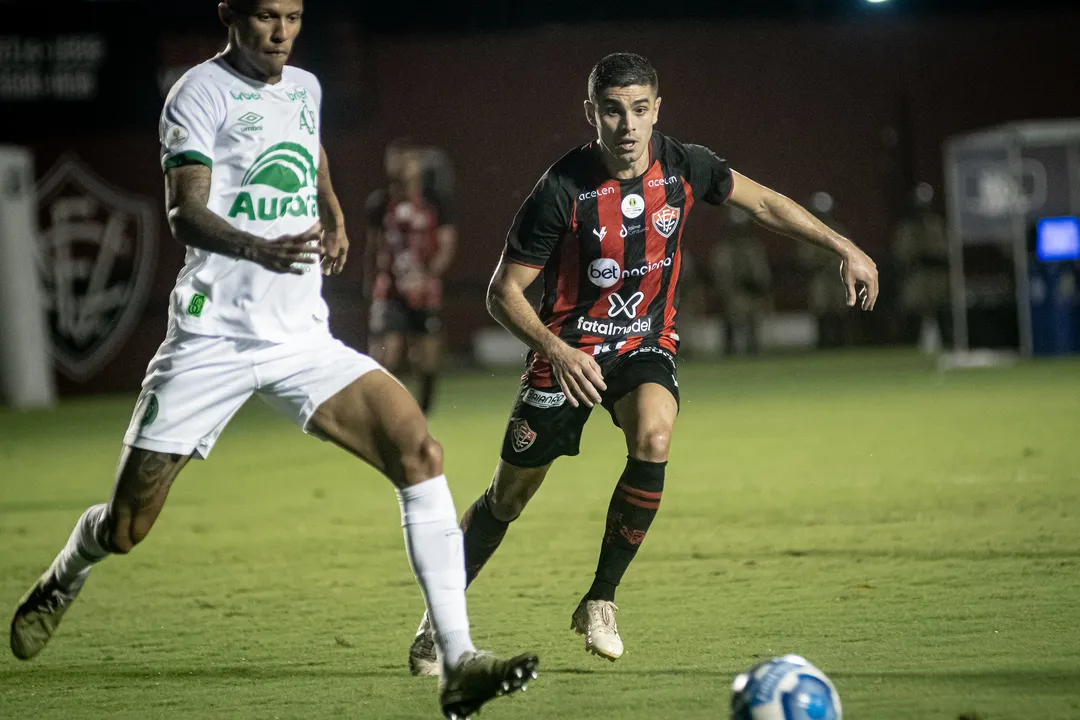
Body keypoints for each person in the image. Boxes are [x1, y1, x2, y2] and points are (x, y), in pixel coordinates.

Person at [9, 2, 535, 717]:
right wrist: (260, 247)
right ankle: (72, 564)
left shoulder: (306, 87)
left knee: (420, 451)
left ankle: (458, 662)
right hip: (211, 338)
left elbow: (309, 145)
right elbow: (182, 211)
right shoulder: (196, 94)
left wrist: (337, 214)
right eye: (265, 16)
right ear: (230, 15)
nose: (282, 31)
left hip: (300, 339)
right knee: (128, 527)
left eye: (292, 15)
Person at [406, 52, 879, 675]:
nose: (626, 125)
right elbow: (503, 291)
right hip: (568, 353)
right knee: (508, 498)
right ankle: (437, 622)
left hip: (644, 344)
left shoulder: (685, 166)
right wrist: (555, 349)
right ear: (591, 113)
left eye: (638, 109)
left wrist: (843, 246)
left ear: (657, 109)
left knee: (654, 436)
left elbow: (764, 204)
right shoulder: (560, 190)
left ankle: (600, 599)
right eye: (611, 110)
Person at [365, 139, 457, 414]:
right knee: (386, 355)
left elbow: (446, 245)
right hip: (389, 290)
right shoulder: (380, 203)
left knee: (427, 362)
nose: (401, 167)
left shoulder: (434, 203)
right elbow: (373, 247)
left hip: (424, 292)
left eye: (407, 160)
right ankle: (384, 413)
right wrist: (370, 286)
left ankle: (423, 413)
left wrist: (427, 275)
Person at [893, 182, 950, 353]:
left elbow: (946, 249)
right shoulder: (907, 228)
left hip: (935, 273)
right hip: (917, 274)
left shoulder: (937, 225)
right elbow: (901, 254)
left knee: (939, 308)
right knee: (915, 309)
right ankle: (912, 344)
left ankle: (944, 341)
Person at [711, 206, 773, 356]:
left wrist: (762, 289)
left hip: (752, 293)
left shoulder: (754, 248)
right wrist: (725, 292)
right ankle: (730, 352)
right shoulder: (723, 250)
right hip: (733, 293)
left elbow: (762, 272)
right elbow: (720, 275)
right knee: (731, 324)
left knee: (753, 325)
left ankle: (753, 352)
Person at [799, 191, 854, 348]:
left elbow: (849, 254)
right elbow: (806, 259)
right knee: (822, 311)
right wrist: (824, 261)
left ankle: (842, 344)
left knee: (840, 311)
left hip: (838, 278)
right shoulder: (808, 231)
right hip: (820, 277)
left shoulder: (839, 231)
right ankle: (822, 344)